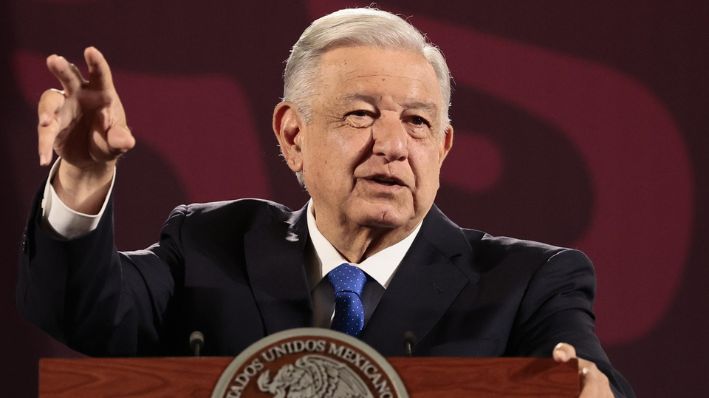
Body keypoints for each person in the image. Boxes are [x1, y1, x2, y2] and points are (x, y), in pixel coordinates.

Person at [17, 8, 633, 397]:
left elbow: (584, 373)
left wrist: (589, 389)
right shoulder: (209, 247)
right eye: (361, 114)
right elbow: (82, 311)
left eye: (417, 123)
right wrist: (83, 176)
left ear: (443, 147)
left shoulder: (529, 283)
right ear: (292, 135)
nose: (392, 145)